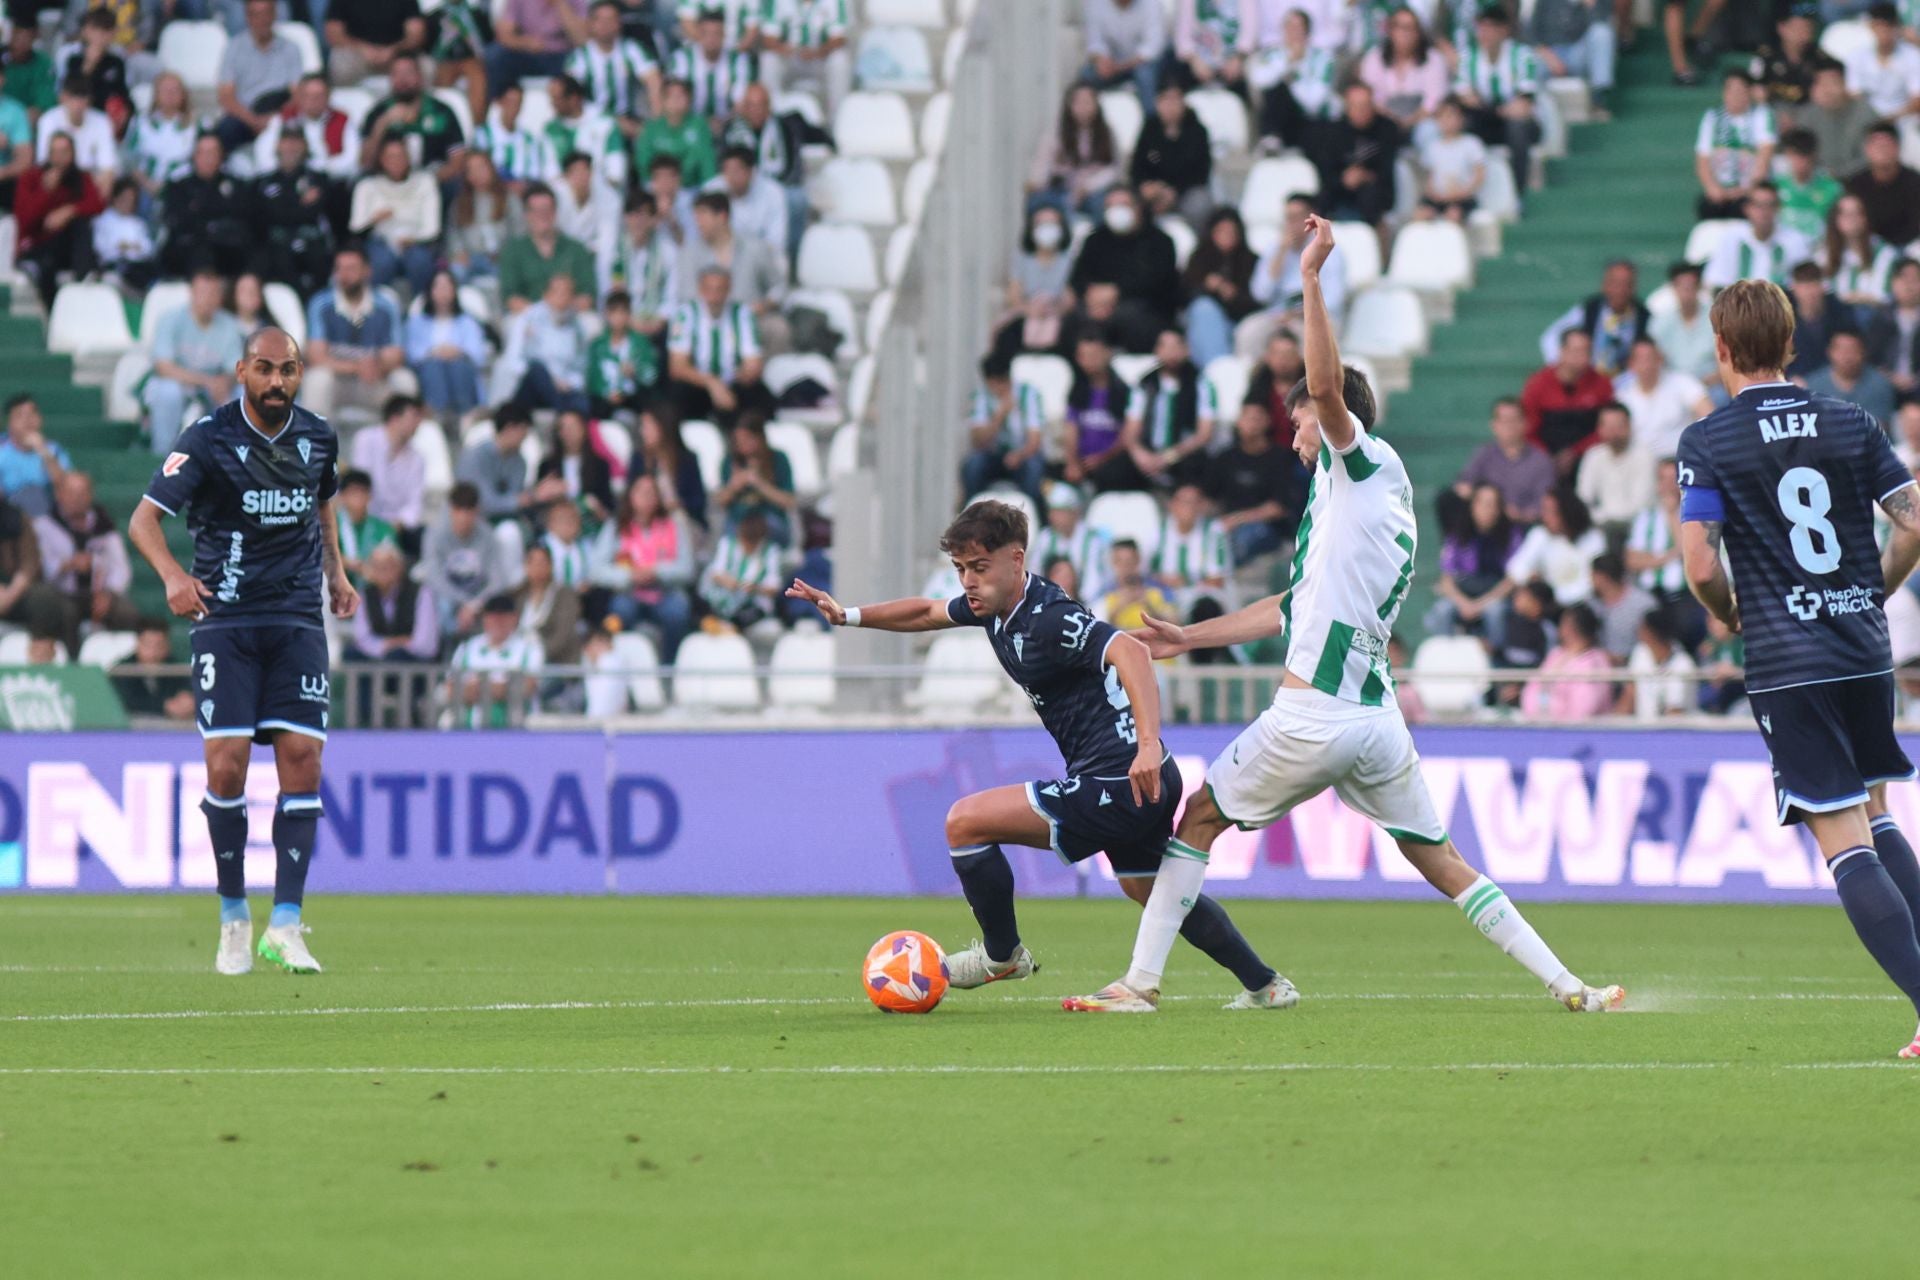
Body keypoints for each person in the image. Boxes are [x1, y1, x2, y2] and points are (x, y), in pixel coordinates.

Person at [1079, 216, 1621, 1015]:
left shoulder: (1362, 462)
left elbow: (1328, 392)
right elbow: (1284, 607)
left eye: (1297, 419)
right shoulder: (1349, 511)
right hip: (1374, 720)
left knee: (1194, 819)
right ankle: (1570, 985)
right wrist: (1189, 636)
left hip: (1315, 715)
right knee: (1441, 859)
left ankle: (1142, 984)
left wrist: (1310, 281)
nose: (1294, 430)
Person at [790, 496, 1289, 1009]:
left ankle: (1001, 956)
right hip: (1136, 778)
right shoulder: (995, 606)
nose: (967, 581)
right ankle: (1265, 984)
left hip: (1118, 780)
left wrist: (1144, 744)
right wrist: (847, 614)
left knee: (965, 822)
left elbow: (1132, 651)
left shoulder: (1048, 617)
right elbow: (924, 611)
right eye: (960, 568)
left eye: (979, 567)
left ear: (1017, 559)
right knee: (1155, 892)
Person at [1677, 275, 1920, 1057]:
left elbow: (1699, 563)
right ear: (1790, 343)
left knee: (1841, 836)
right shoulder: (1851, 419)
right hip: (1862, 649)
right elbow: (1911, 521)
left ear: (1722, 347)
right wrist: (1871, 591)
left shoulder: (1709, 439)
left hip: (1790, 658)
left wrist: (1728, 614)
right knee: (1877, 815)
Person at [127, 327, 356, 977]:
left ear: (299, 372)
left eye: (287, 370)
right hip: (226, 620)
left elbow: (324, 501)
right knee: (225, 769)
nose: (276, 381)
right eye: (264, 369)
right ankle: (233, 914)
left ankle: (286, 922)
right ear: (241, 371)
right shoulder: (208, 438)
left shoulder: (317, 436)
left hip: (295, 621)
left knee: (303, 761)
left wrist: (337, 574)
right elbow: (144, 520)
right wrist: (173, 577)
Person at [303, 244, 416, 421]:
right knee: (317, 379)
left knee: (405, 381)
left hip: (374, 380)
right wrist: (356, 367)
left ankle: (399, 446)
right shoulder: (321, 304)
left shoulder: (386, 305)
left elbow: (396, 355)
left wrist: (377, 365)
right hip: (338, 382)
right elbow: (316, 356)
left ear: (367, 271)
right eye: (339, 269)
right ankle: (317, 444)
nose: (344, 275)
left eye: (351, 269)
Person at [145, 269, 247, 459]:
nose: (207, 299)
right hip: (176, 383)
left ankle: (233, 460)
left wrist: (224, 382)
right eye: (202, 293)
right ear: (191, 293)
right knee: (168, 392)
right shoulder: (171, 319)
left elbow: (234, 368)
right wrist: (207, 381)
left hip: (212, 388)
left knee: (241, 395)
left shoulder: (229, 325)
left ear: (220, 298)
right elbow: (163, 367)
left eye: (213, 294)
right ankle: (161, 454)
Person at [1067, 186, 1185, 351]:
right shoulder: (1094, 240)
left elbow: (1159, 283)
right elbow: (1079, 277)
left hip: (1146, 310)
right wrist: (1093, 296)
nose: (1116, 211)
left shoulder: (1160, 242)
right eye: (1111, 206)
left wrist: (1116, 292)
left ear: (1138, 207)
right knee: (1075, 318)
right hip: (1097, 307)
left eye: (1123, 205)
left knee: (1130, 317)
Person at [34, 469, 138, 651]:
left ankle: (124, 667)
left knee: (127, 613)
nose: (77, 499)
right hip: (62, 594)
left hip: (98, 594)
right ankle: (72, 668)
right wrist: (68, 565)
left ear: (91, 495)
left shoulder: (104, 527)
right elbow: (40, 568)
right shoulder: (45, 526)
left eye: (82, 493)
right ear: (59, 495)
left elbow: (121, 570)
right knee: (65, 613)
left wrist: (109, 594)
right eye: (71, 493)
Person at [603, 471, 696, 657]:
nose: (646, 498)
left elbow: (688, 569)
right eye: (641, 492)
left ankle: (669, 667)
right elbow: (596, 569)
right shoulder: (616, 526)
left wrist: (657, 572)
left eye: (651, 492)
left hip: (664, 593)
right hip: (628, 592)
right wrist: (629, 575)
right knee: (620, 610)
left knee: (678, 609)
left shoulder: (673, 525)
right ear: (630, 495)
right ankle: (623, 663)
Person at [1453, 4, 1542, 198]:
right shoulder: (1468, 57)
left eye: (1490, 27)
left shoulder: (1522, 55)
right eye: (1481, 27)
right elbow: (1465, 97)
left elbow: (1523, 105)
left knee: (1517, 128)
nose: (1485, 33)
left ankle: (1518, 191)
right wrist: (1497, 110)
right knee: (1462, 124)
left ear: (1504, 30)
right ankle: (1465, 192)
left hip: (1516, 122)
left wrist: (1491, 109)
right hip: (1486, 119)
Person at [667, 264, 773, 422]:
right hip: (699, 385)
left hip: (733, 383)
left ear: (728, 290)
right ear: (701, 290)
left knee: (761, 397)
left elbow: (753, 364)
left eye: (720, 290)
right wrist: (712, 384)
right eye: (709, 290)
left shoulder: (742, 314)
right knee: (677, 393)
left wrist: (735, 380)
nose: (714, 297)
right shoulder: (686, 314)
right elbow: (678, 366)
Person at [1205, 400, 1301, 564]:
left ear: (1268, 422)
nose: (1251, 424)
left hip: (1265, 527)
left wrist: (1236, 520)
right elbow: (1209, 498)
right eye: (1246, 418)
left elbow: (1278, 508)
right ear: (1238, 422)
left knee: (1244, 539)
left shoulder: (1280, 457)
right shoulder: (1226, 457)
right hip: (1227, 523)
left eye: (1257, 418)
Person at [1120, 326, 1217, 489]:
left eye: (1176, 347)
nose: (1171, 353)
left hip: (1182, 454)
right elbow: (1131, 429)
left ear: (1186, 350)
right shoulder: (1144, 384)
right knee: (1117, 470)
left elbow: (1203, 434)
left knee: (1198, 467)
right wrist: (1139, 454)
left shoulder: (1201, 385)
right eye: (1165, 347)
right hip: (1147, 451)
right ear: (1156, 351)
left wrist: (1168, 457)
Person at [14, 129, 102, 307]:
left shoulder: (80, 178)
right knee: (46, 265)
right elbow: (25, 219)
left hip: (66, 245)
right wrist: (46, 192)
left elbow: (97, 204)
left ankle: (83, 280)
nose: (59, 157)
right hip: (38, 243)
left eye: (64, 152)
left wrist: (69, 210)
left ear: (73, 154)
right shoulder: (32, 177)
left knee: (81, 225)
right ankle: (53, 314)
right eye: (55, 152)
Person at [1427, 481, 1520, 641]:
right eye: (1482, 503)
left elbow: (1512, 580)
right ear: (1473, 506)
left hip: (1495, 596)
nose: (1487, 510)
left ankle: (1495, 659)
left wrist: (1480, 604)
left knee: (1495, 612)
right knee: (1442, 611)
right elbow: (1446, 579)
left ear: (1500, 509)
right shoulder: (1458, 535)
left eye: (1492, 505)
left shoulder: (1511, 536)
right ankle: (1444, 657)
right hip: (1464, 594)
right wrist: (1464, 604)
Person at [351, 136, 441, 299]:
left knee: (419, 261)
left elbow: (432, 227)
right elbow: (356, 227)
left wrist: (413, 239)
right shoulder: (367, 186)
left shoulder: (425, 182)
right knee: (381, 262)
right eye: (390, 156)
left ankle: (421, 308)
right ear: (381, 159)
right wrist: (374, 220)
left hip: (416, 242)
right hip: (379, 242)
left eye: (400, 155)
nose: (396, 161)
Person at [213, 0, 303, 156]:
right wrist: (253, 120)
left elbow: (297, 94)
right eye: (256, 14)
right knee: (225, 130)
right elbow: (226, 96)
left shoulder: (291, 49)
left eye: (266, 13)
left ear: (274, 15)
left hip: (279, 115)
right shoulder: (234, 48)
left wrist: (274, 119)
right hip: (245, 116)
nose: (262, 20)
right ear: (248, 17)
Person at [1251, 196, 1347, 341]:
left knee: (1309, 338)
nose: (1291, 224)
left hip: (1314, 317)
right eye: (1288, 218)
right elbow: (1261, 294)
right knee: (1248, 333)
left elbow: (1334, 299)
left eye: (1297, 217)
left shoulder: (1328, 249)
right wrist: (1281, 252)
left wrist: (1298, 313)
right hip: (1278, 317)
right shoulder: (1274, 249)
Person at [1449, 395, 1556, 525]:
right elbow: (1463, 484)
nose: (1509, 426)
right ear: (1494, 425)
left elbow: (1545, 506)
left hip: (1522, 525)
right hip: (1487, 524)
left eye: (1514, 420)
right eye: (1503, 420)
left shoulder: (1540, 461)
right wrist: (1482, 499)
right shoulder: (1485, 454)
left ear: (1525, 423)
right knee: (1448, 500)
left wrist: (1521, 514)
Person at [1521, 329, 1614, 474]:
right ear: (1562, 352)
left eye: (1587, 351)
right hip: (1544, 460)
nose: (1582, 357)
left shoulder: (1602, 385)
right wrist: (1546, 457)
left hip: (1590, 460)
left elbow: (1606, 428)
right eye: (1576, 351)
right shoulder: (1538, 384)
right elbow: (1528, 429)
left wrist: (1576, 453)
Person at [422, 481, 509, 636]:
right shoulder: (435, 534)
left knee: (498, 605)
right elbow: (434, 577)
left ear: (477, 511)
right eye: (458, 510)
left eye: (468, 511)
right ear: (450, 510)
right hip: (449, 598)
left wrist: (475, 604)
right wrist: (463, 602)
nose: (463, 517)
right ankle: (443, 653)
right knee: (440, 604)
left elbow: (497, 580)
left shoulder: (487, 535)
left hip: (479, 600)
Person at [961, 352, 1047, 507]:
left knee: (1033, 468)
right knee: (973, 466)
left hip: (1023, 454)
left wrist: (1019, 455)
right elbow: (978, 441)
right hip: (993, 454)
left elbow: (1035, 440)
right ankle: (969, 512)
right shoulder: (980, 397)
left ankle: (1034, 513)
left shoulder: (1028, 394)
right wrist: (999, 416)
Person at [447, 593, 543, 727]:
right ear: (484, 618)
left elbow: (527, 687)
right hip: (470, 728)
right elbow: (451, 689)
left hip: (516, 729)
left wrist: (478, 687)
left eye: (503, 617)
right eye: (493, 616)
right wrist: (500, 688)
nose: (498, 622)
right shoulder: (467, 648)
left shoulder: (529, 649)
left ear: (514, 618)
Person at [1028, 82, 1122, 219]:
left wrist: (1088, 187)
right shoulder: (1057, 133)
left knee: (1103, 204)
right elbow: (1043, 162)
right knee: (1038, 202)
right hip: (1062, 188)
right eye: (1077, 102)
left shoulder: (1107, 133)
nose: (1083, 108)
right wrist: (1037, 182)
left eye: (1088, 102)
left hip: (1093, 190)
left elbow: (1113, 169)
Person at [1540, 260, 1648, 377]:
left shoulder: (1644, 316)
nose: (1620, 290)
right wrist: (1565, 368)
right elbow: (1549, 338)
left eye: (1627, 284)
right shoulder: (1588, 310)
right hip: (1589, 381)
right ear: (1604, 285)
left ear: (1634, 287)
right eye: (1615, 283)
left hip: (1626, 383)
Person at [1312, 82, 1398, 229]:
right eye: (1356, 106)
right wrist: (1343, 179)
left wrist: (1365, 176)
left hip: (1374, 190)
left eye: (1366, 105)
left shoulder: (1387, 130)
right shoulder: (1333, 132)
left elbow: (1388, 169)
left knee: (1371, 195)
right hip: (1339, 189)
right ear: (1347, 107)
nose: (1361, 111)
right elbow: (1325, 169)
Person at [1694, 69, 1777, 220]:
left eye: (1740, 90)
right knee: (1707, 207)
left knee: (1747, 207)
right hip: (1720, 190)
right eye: (1730, 90)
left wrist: (1746, 190)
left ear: (1749, 92)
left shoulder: (1762, 115)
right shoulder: (1712, 117)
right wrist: (1713, 188)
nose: (1734, 96)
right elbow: (1702, 160)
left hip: (1750, 190)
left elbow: (1764, 158)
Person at [1131, 77, 1213, 228]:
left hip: (1185, 191)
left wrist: (1174, 192)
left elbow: (1200, 172)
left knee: (1199, 203)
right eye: (1165, 100)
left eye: (1175, 99)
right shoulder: (1149, 129)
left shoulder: (1197, 131)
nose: (1170, 106)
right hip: (1155, 191)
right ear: (1157, 103)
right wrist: (1147, 187)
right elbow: (1138, 166)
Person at [405, 270, 489, 417]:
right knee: (433, 366)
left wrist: (457, 351)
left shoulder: (468, 322)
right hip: (429, 369)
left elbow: (478, 354)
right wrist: (434, 352)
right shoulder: (416, 322)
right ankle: (438, 414)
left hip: (460, 368)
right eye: (438, 287)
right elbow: (412, 353)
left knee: (458, 365)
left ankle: (463, 415)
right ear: (430, 291)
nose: (443, 292)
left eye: (447, 287)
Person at [1506, 484, 1606, 608]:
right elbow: (1516, 567)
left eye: (1550, 512)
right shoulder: (1540, 534)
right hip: (1542, 605)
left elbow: (1589, 584)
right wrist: (1529, 578)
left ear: (1567, 513)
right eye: (1543, 510)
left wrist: (1551, 593)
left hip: (1579, 606)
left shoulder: (1593, 539)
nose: (1544, 517)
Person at [348, 394, 427, 551]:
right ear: (395, 418)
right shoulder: (366, 440)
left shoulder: (417, 459)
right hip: (364, 518)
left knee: (423, 537)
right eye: (413, 417)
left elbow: (414, 504)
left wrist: (398, 523)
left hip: (397, 527)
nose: (417, 423)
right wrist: (376, 525)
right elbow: (360, 485)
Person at [1061, 329, 1138, 491]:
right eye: (1084, 356)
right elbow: (1071, 430)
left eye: (1094, 354)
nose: (1089, 361)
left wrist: (1102, 458)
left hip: (1112, 462)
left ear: (1107, 353)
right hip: (1082, 462)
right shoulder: (1077, 393)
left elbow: (1127, 435)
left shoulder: (1124, 392)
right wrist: (1072, 462)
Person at [1182, 207, 1258, 368]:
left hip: (1238, 321)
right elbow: (1182, 295)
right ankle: (1217, 369)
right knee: (1204, 310)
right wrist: (1207, 287)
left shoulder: (1250, 261)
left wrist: (1232, 295)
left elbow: (1257, 300)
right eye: (1221, 231)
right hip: (1203, 322)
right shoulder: (1198, 259)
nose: (1226, 237)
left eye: (1231, 232)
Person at [1357, 5, 1448, 138]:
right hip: (1384, 118)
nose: (1405, 33)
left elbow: (1434, 100)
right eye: (1400, 27)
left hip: (1421, 120)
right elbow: (1371, 96)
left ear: (1418, 33)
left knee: (1429, 130)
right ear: (1390, 31)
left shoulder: (1434, 59)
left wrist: (1411, 121)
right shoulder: (1374, 58)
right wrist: (1392, 120)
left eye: (1410, 28)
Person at [568, 0, 662, 126]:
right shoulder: (579, 58)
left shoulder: (632, 50)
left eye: (610, 20)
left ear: (619, 23)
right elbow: (570, 95)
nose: (605, 25)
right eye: (599, 20)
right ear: (590, 23)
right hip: (591, 123)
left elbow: (654, 81)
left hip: (628, 120)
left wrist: (656, 123)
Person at [1703, 182, 1811, 290]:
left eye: (1769, 205)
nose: (1764, 212)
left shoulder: (1794, 241)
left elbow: (1804, 286)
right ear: (1747, 209)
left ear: (1778, 208)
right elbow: (1717, 283)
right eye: (1758, 205)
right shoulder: (1731, 238)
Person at [1149, 482, 1230, 621]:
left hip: (1200, 595)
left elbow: (1217, 579)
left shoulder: (1213, 531)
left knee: (1206, 607)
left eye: (1193, 502)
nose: (1188, 507)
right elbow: (1147, 571)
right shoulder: (1158, 531)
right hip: (1166, 594)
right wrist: (1162, 580)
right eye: (1184, 502)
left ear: (1201, 506)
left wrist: (1185, 582)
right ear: (1172, 505)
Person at [1519, 603, 1615, 720]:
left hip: (1573, 733)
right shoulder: (1556, 654)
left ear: (1569, 626)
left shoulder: (1594, 663)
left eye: (1562, 623)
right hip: (1540, 726)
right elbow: (1534, 688)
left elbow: (1584, 710)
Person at [1524, 0, 1617, 116]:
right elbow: (1529, 31)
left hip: (1577, 54)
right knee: (1529, 60)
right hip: (1549, 55)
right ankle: (1532, 110)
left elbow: (1601, 23)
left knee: (1602, 33)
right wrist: (1548, 56)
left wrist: (1590, 6)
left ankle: (1599, 100)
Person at [1574, 402, 1654, 535]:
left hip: (1635, 528)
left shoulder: (1644, 457)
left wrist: (1607, 518)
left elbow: (1642, 505)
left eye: (1619, 427)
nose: (1614, 433)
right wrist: (1601, 519)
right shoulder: (1593, 456)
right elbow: (1583, 499)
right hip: (1599, 527)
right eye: (1609, 427)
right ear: (1599, 429)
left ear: (1629, 427)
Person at [669, 6, 756, 124]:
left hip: (728, 123)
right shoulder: (682, 59)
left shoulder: (737, 60)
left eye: (716, 34)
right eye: (706, 33)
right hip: (690, 124)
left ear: (724, 34)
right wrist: (702, 125)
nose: (711, 39)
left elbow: (740, 104)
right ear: (698, 33)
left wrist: (722, 123)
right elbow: (676, 101)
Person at [760, 0, 852, 110]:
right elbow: (768, 38)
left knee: (839, 59)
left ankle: (838, 118)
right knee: (769, 58)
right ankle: (773, 117)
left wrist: (817, 52)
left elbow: (839, 38)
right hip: (790, 58)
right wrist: (788, 50)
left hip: (820, 59)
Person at [1030, 482, 1113, 602]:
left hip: (1087, 603)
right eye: (1052, 512)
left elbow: (1095, 580)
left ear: (1074, 512)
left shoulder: (1092, 540)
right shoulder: (1045, 538)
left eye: (1060, 512)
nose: (1054, 517)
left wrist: (1077, 603)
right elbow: (1036, 572)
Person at [633, 77, 719, 190]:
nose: (676, 100)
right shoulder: (651, 128)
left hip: (692, 188)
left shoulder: (700, 126)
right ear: (663, 100)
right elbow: (644, 163)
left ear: (689, 100)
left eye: (681, 96)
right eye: (671, 96)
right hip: (658, 189)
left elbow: (707, 163)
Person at [1844, 122, 1920, 249]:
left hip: (1909, 248)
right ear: (1867, 149)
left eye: (1886, 145)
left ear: (1897, 147)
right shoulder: (1855, 184)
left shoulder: (1915, 182)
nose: (1881, 150)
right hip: (1868, 249)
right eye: (1876, 145)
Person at [1801, 59, 1877, 181]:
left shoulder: (1864, 112)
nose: (1827, 90)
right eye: (1821, 84)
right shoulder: (1808, 115)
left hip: (1858, 180)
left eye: (1832, 83)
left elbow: (1869, 156)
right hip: (1818, 182)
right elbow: (1802, 154)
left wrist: (1839, 174)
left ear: (1845, 84)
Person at [1081, 0, 1168, 107]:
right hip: (1110, 67)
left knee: (1145, 74)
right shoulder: (1095, 4)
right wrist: (1101, 60)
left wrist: (1122, 66)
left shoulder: (1152, 4)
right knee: (1086, 75)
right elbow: (1094, 42)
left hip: (1142, 64)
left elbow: (1153, 46)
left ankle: (1151, 121)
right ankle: (1091, 121)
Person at [1649, 260, 1718, 394]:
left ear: (1699, 287)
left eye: (1691, 287)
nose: (1686, 293)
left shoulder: (1717, 319)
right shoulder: (1660, 322)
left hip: (1710, 385)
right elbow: (1655, 359)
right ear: (1673, 288)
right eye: (1681, 287)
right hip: (1672, 387)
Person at [1823, 192, 1900, 311]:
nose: (1851, 219)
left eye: (1856, 213)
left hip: (1872, 315)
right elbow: (1823, 291)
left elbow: (1884, 297)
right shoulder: (1823, 252)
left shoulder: (1884, 252)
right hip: (1835, 317)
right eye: (1845, 214)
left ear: (1865, 218)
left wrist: (1858, 298)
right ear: (1836, 220)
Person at [1415, 95, 1487, 224]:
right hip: (1438, 197)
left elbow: (1479, 175)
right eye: (1442, 116)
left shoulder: (1471, 143)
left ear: (1461, 119)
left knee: (1453, 216)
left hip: (1463, 198)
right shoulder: (1432, 146)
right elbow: (1428, 176)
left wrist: (1462, 192)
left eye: (1451, 116)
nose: (1447, 121)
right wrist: (1433, 193)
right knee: (1421, 215)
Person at [1844, 3, 1920, 122]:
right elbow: (1854, 94)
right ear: (1871, 27)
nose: (1884, 31)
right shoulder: (1857, 56)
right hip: (1867, 118)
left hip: (1904, 119)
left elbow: (1917, 99)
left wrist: (1891, 118)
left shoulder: (1913, 56)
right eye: (1879, 26)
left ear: (1897, 27)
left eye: (1888, 26)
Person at [0, 393, 70, 519]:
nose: (27, 420)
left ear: (40, 419)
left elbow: (65, 490)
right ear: (9, 423)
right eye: (20, 415)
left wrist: (43, 451)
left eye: (32, 414)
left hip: (48, 515)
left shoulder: (53, 450)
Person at [325, 0, 427, 86]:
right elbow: (333, 33)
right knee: (341, 67)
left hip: (397, 54)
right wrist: (362, 49)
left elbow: (416, 34)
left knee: (426, 68)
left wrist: (394, 50)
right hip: (357, 53)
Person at [1809, 329, 1899, 423]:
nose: (1847, 357)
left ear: (1863, 352)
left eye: (1853, 350)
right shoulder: (1814, 385)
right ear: (1830, 352)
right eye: (1842, 350)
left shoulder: (1880, 385)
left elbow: (1880, 428)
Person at [114, 617, 195, 721]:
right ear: (138, 643)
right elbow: (127, 702)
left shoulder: (175, 668)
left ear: (167, 645)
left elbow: (188, 688)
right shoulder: (122, 671)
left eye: (159, 645)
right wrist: (165, 706)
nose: (153, 653)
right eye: (148, 645)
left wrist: (187, 698)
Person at [1788, 261, 1856, 380]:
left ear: (1823, 287)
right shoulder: (1781, 319)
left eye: (1814, 285)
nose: (1810, 292)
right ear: (1794, 288)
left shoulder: (1841, 314)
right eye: (1805, 286)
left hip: (1834, 380)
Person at [1624, 609, 1697, 720]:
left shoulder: (1683, 664)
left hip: (1674, 732)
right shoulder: (1640, 652)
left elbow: (1675, 713)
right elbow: (1630, 693)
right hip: (1642, 731)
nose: (1638, 631)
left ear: (1651, 633)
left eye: (1642, 628)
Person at [1588, 551, 1657, 662]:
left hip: (1635, 665)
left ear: (1602, 577)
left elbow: (1654, 640)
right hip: (1599, 668)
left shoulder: (1643, 604)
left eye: (1592, 575)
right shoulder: (1591, 604)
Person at [1775, 128, 1840, 245]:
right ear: (1787, 154)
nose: (1800, 161)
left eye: (1804, 155)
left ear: (1814, 155)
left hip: (1819, 250)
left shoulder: (1831, 188)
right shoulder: (1776, 186)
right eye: (1794, 155)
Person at [1865, 258, 1920, 394]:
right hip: (1884, 384)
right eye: (1903, 279)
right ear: (1893, 283)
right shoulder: (1880, 317)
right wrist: (1890, 377)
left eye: (1915, 279)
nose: (1909, 286)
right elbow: (1870, 358)